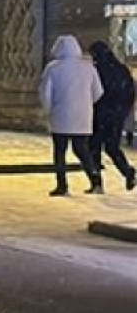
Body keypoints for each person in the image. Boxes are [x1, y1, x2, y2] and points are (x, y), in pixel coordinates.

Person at [39, 34, 103, 196]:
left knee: (60, 152)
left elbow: (46, 94)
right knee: (81, 149)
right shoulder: (88, 67)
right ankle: (95, 179)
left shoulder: (53, 68)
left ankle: (62, 185)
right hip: (82, 117)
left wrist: (48, 110)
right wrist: (86, 104)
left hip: (60, 116)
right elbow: (98, 92)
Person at [88, 40, 137, 191]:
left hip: (101, 114)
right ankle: (128, 172)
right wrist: (123, 110)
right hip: (116, 115)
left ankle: (97, 182)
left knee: (94, 146)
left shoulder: (97, 70)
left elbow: (95, 92)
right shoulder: (121, 69)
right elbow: (130, 92)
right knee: (112, 147)